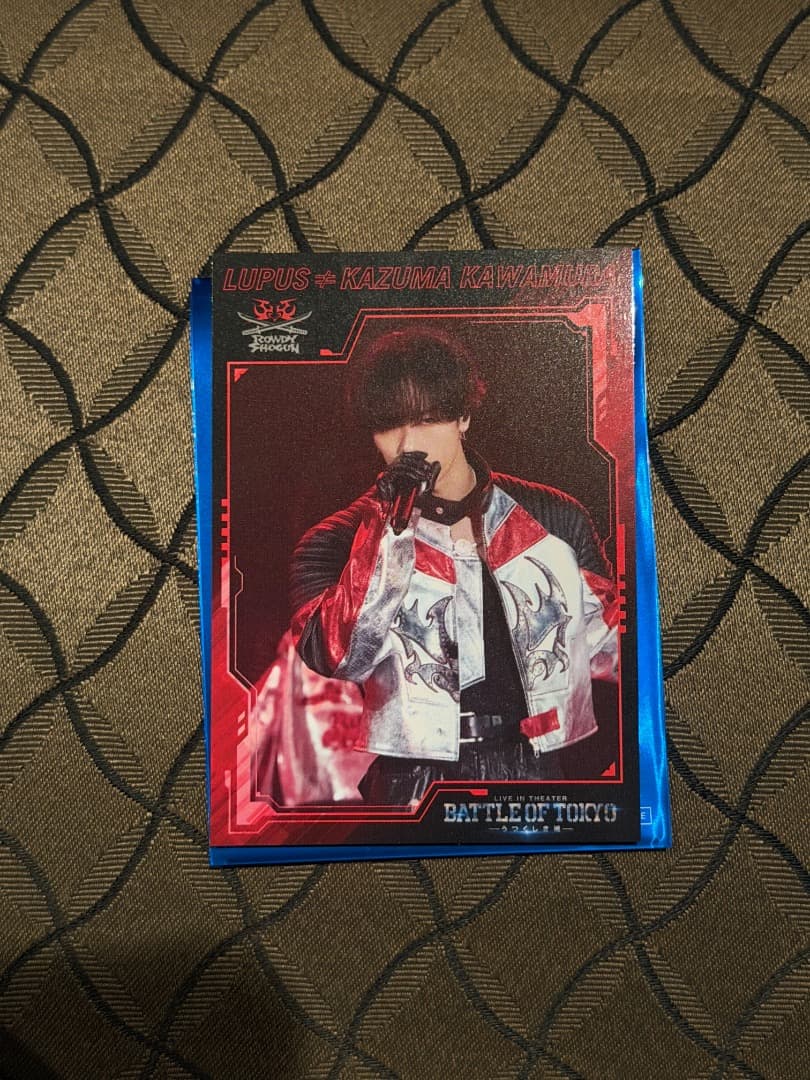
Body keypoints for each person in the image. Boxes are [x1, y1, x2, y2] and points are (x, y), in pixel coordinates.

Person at [289, 328, 618, 805]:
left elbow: (612, 648)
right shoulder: (337, 539)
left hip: (538, 767)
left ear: (463, 416)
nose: (408, 444)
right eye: (389, 426)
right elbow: (339, 658)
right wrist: (391, 532)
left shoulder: (552, 517)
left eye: (426, 420)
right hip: (412, 780)